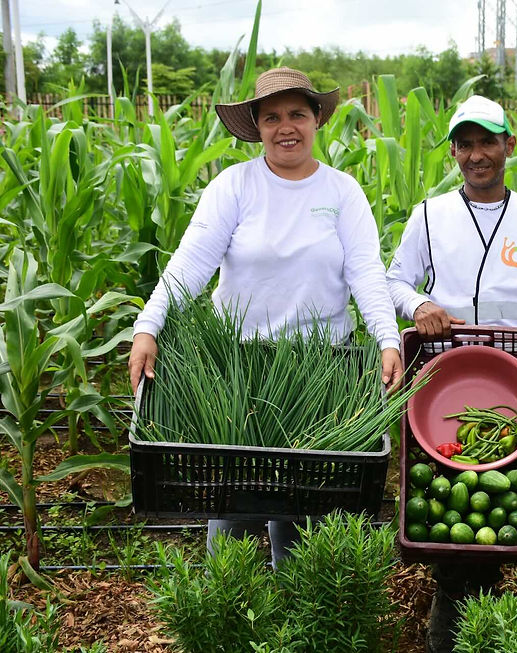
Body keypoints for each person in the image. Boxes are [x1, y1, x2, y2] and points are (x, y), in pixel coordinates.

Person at [128, 67, 403, 565]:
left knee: (305, 506)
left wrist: (388, 339)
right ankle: (228, 599)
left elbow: (366, 272)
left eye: (297, 113)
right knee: (233, 500)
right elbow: (191, 264)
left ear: (316, 119)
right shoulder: (235, 186)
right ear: (257, 126)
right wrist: (149, 326)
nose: (286, 127)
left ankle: (292, 602)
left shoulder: (342, 192)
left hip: (321, 368)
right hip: (240, 366)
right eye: (272, 117)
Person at [386, 94, 517, 653]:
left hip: (516, 372)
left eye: (487, 141)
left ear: (508, 144)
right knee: (448, 481)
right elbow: (395, 281)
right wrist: (420, 305)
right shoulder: (430, 214)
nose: (476, 154)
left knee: (506, 481)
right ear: (453, 152)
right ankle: (454, 607)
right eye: (464, 144)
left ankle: (484, 606)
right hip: (445, 371)